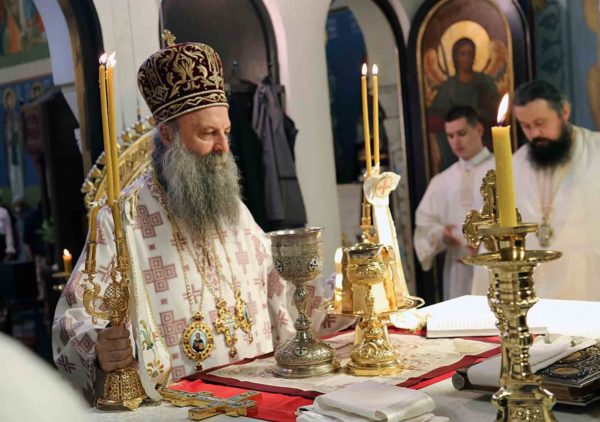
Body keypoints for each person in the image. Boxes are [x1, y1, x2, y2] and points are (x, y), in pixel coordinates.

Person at [52, 40, 346, 405]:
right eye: (208, 134)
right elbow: (71, 321)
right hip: (179, 408)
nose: (223, 146)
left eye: (226, 132)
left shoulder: (233, 210)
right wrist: (98, 346)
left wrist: (345, 289)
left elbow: (283, 289)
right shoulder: (121, 220)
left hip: (258, 401)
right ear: (167, 135)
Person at [472, 80, 600, 301]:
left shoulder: (595, 151)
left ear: (564, 112)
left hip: (590, 286)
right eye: (526, 126)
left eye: (540, 123)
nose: (535, 133)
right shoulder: (514, 166)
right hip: (537, 291)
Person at [414, 106, 494, 299]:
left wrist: (489, 243)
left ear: (479, 130)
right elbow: (424, 224)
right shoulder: (442, 180)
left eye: (461, 133)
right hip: (458, 269)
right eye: (450, 136)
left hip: (495, 268)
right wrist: (442, 235)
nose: (456, 141)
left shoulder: (505, 168)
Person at [428, 38, 500, 173]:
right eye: (462, 54)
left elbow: (495, 110)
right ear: (455, 57)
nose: (467, 58)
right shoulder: (448, 88)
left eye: (470, 53)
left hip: (482, 139)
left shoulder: (485, 82)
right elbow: (436, 114)